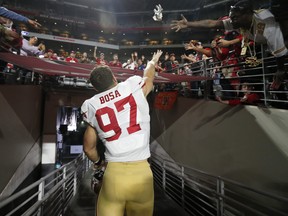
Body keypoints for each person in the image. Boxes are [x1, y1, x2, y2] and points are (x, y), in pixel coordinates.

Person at [81, 50, 163, 216]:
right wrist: (152, 62)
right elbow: (149, 77)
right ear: (114, 78)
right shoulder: (132, 86)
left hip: (114, 175)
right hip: (143, 175)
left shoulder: (91, 105)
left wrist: (98, 163)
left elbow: (88, 148)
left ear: (94, 87)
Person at [171, 0, 287, 90]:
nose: (232, 21)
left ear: (247, 14)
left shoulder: (267, 26)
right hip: (270, 48)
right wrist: (188, 24)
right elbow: (212, 23)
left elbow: (280, 54)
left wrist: (281, 69)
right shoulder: (239, 21)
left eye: (234, 18)